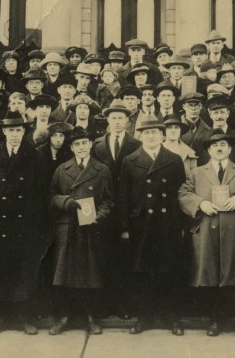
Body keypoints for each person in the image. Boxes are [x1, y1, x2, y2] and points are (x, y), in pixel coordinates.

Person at [178, 128, 235, 340]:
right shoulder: (197, 172)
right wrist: (201, 203)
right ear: (208, 150)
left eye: (223, 145)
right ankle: (215, 320)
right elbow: (183, 193)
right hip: (208, 230)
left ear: (230, 148)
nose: (219, 148)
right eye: (214, 145)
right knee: (212, 277)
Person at [0, 111, 50, 336]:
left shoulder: (36, 157)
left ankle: (24, 317)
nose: (15, 134)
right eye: (10, 130)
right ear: (4, 131)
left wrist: (37, 222)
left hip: (25, 224)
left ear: (24, 132)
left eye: (19, 130)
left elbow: (42, 192)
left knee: (24, 271)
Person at [118, 116, 187, 336]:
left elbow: (181, 194)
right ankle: (144, 317)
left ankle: (171, 317)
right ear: (140, 136)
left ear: (162, 135)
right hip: (141, 224)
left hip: (168, 224)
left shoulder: (174, 159)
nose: (151, 136)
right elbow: (123, 197)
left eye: (155, 132)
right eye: (146, 133)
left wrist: (182, 225)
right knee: (143, 272)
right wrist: (125, 227)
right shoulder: (130, 160)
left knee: (169, 271)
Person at [48, 126, 115, 335]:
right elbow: (50, 196)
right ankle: (65, 317)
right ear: (71, 147)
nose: (81, 147)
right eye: (77, 144)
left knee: (91, 275)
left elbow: (109, 200)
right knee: (65, 275)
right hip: (68, 228)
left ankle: (91, 316)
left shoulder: (102, 170)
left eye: (84, 143)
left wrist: (99, 216)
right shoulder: (62, 169)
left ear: (90, 145)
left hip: (90, 229)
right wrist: (65, 201)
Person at [91, 99, 141, 319]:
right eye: (114, 118)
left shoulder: (136, 144)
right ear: (108, 120)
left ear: (127, 121)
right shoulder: (98, 145)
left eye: (121, 118)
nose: (118, 122)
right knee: (103, 257)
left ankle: (123, 305)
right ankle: (103, 305)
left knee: (124, 259)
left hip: (126, 207)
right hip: (104, 208)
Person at [206, 96, 235, 167]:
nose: (219, 116)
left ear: (228, 113)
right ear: (210, 114)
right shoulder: (202, 139)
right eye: (215, 113)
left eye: (222, 112)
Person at [179, 92, 212, 166]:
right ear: (184, 107)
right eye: (190, 105)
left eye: (197, 105)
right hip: (183, 168)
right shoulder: (176, 128)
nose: (193, 108)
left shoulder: (209, 130)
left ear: (201, 107)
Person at [162, 114, 198, 178]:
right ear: (164, 131)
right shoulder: (156, 150)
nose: (173, 130)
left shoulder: (190, 154)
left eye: (176, 127)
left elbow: (192, 180)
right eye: (169, 127)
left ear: (180, 130)